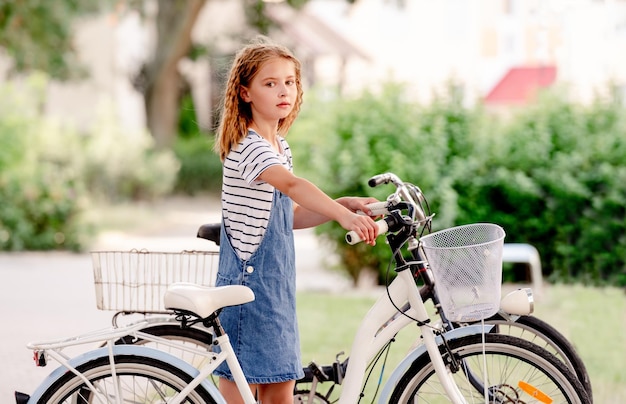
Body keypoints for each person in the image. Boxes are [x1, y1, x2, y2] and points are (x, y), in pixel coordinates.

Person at [212, 36, 379, 404]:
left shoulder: (279, 146)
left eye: (289, 82)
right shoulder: (249, 146)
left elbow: (289, 216)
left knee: (281, 394)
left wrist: (343, 205)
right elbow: (291, 185)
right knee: (241, 393)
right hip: (246, 291)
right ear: (245, 93)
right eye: (270, 83)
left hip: (275, 291)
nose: (283, 90)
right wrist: (341, 216)